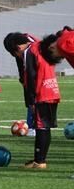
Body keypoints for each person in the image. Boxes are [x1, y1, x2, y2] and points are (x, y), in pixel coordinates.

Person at [17, 36, 61, 169]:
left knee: (41, 127)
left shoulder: (29, 51)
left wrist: (31, 99)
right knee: (45, 127)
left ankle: (39, 161)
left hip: (42, 93)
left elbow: (30, 76)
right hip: (52, 90)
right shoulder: (39, 47)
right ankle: (40, 159)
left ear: (17, 48)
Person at [3, 32, 38, 137]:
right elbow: (21, 68)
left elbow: (30, 73)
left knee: (35, 100)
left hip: (41, 76)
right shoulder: (21, 44)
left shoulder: (30, 50)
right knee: (30, 99)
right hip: (34, 76)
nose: (17, 56)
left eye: (14, 53)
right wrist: (23, 80)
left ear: (17, 48)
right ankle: (32, 125)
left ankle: (34, 127)